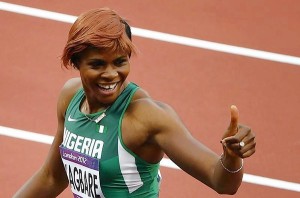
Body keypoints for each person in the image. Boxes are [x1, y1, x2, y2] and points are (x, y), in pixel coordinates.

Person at [13, 7, 256, 198]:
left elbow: (222, 181)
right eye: (97, 64)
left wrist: (232, 157)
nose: (111, 74)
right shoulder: (71, 98)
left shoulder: (146, 117)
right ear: (76, 63)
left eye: (120, 62)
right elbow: (52, 177)